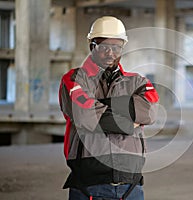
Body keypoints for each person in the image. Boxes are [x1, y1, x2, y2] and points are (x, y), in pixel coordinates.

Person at [59, 16, 159, 200]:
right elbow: (85, 116)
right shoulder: (74, 79)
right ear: (92, 46)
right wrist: (130, 123)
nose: (111, 52)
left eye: (117, 47)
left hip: (131, 188)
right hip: (88, 187)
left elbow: (151, 112)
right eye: (104, 46)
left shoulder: (138, 81)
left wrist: (100, 106)